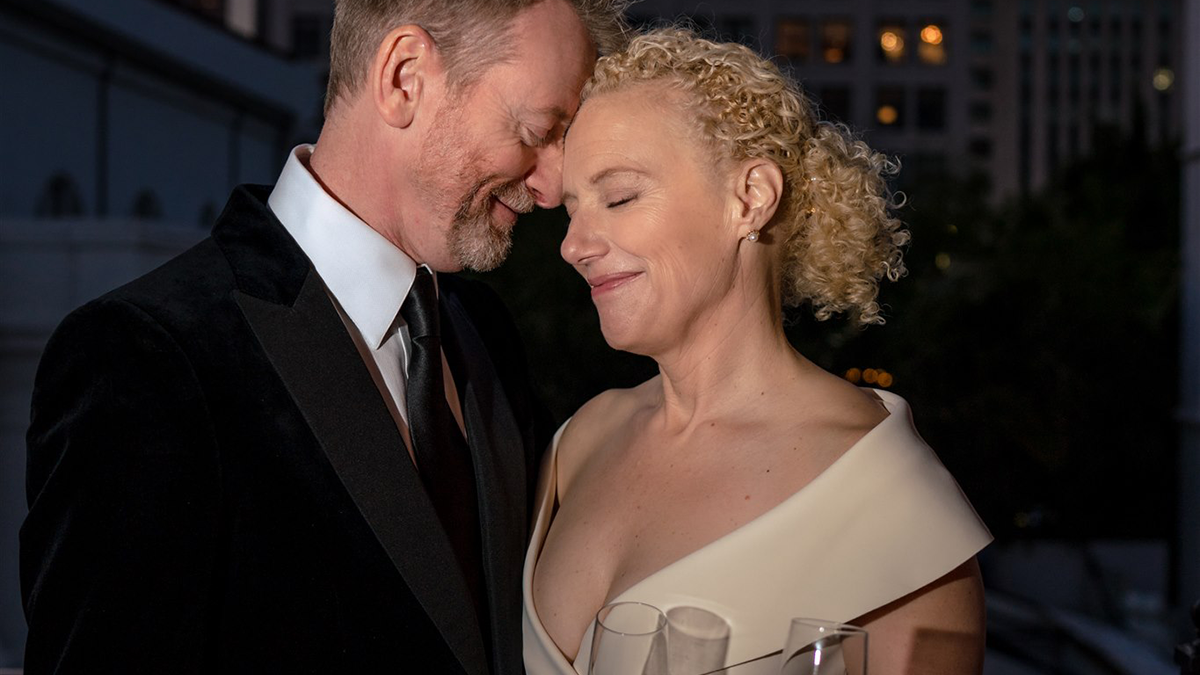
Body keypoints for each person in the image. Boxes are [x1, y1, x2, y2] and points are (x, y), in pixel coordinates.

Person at [21, 1, 626, 673]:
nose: (551, 186)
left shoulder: (483, 331)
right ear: (404, 78)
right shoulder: (144, 358)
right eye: (539, 131)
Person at [523, 29, 992, 675]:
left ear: (750, 198)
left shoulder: (891, 505)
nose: (574, 245)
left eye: (621, 196)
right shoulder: (578, 442)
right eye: (572, 211)